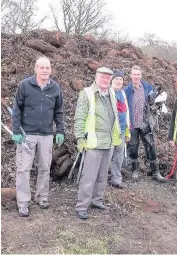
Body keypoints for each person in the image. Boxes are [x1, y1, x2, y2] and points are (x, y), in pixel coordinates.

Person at [12, 56, 64, 217]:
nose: (45, 70)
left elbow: (59, 112)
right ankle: (23, 202)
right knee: (23, 168)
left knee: (44, 167)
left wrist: (60, 130)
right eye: (42, 67)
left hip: (46, 135)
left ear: (51, 69)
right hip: (27, 135)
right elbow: (16, 110)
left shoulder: (55, 88)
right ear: (35, 69)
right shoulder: (25, 86)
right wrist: (16, 132)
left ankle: (42, 196)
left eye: (47, 68)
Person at [74, 67, 122, 220]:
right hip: (93, 142)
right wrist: (80, 139)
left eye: (108, 78)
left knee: (102, 175)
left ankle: (97, 200)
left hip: (109, 141)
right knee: (89, 176)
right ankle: (82, 206)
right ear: (96, 77)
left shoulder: (112, 93)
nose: (105, 80)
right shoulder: (87, 93)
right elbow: (79, 118)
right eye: (103, 77)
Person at [124, 65, 165, 182]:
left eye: (138, 74)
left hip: (145, 123)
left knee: (151, 146)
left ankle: (155, 172)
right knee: (133, 148)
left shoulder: (147, 87)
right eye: (134, 74)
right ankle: (135, 171)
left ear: (141, 75)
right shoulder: (126, 91)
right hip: (132, 124)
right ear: (131, 76)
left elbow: (154, 103)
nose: (136, 76)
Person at [110, 70, 131, 189]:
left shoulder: (122, 94)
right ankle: (101, 179)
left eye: (121, 79)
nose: (118, 81)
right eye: (116, 79)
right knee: (107, 155)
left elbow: (126, 112)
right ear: (112, 80)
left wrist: (127, 130)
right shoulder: (108, 92)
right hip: (110, 130)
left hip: (122, 130)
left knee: (119, 156)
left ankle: (116, 179)